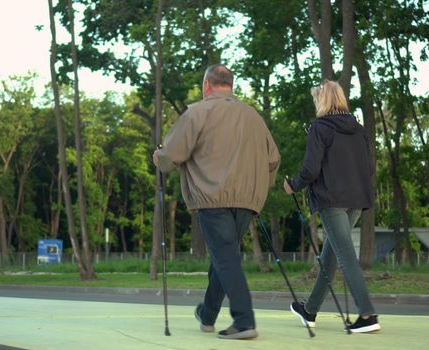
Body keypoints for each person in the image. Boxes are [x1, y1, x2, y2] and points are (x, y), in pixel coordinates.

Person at [152, 64, 281, 340]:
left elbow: (171, 155)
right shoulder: (253, 116)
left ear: (207, 85)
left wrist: (158, 158)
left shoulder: (197, 112)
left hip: (212, 197)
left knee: (226, 258)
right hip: (248, 200)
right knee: (224, 258)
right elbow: (273, 160)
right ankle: (207, 314)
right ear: (230, 85)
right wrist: (259, 186)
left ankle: (244, 321)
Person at [283, 80, 380, 333]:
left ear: (323, 100)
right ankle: (310, 310)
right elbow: (369, 168)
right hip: (358, 199)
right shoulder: (359, 130)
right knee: (332, 252)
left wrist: (293, 185)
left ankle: (368, 315)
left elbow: (311, 169)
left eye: (317, 98)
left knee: (345, 254)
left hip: (332, 200)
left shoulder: (319, 128)